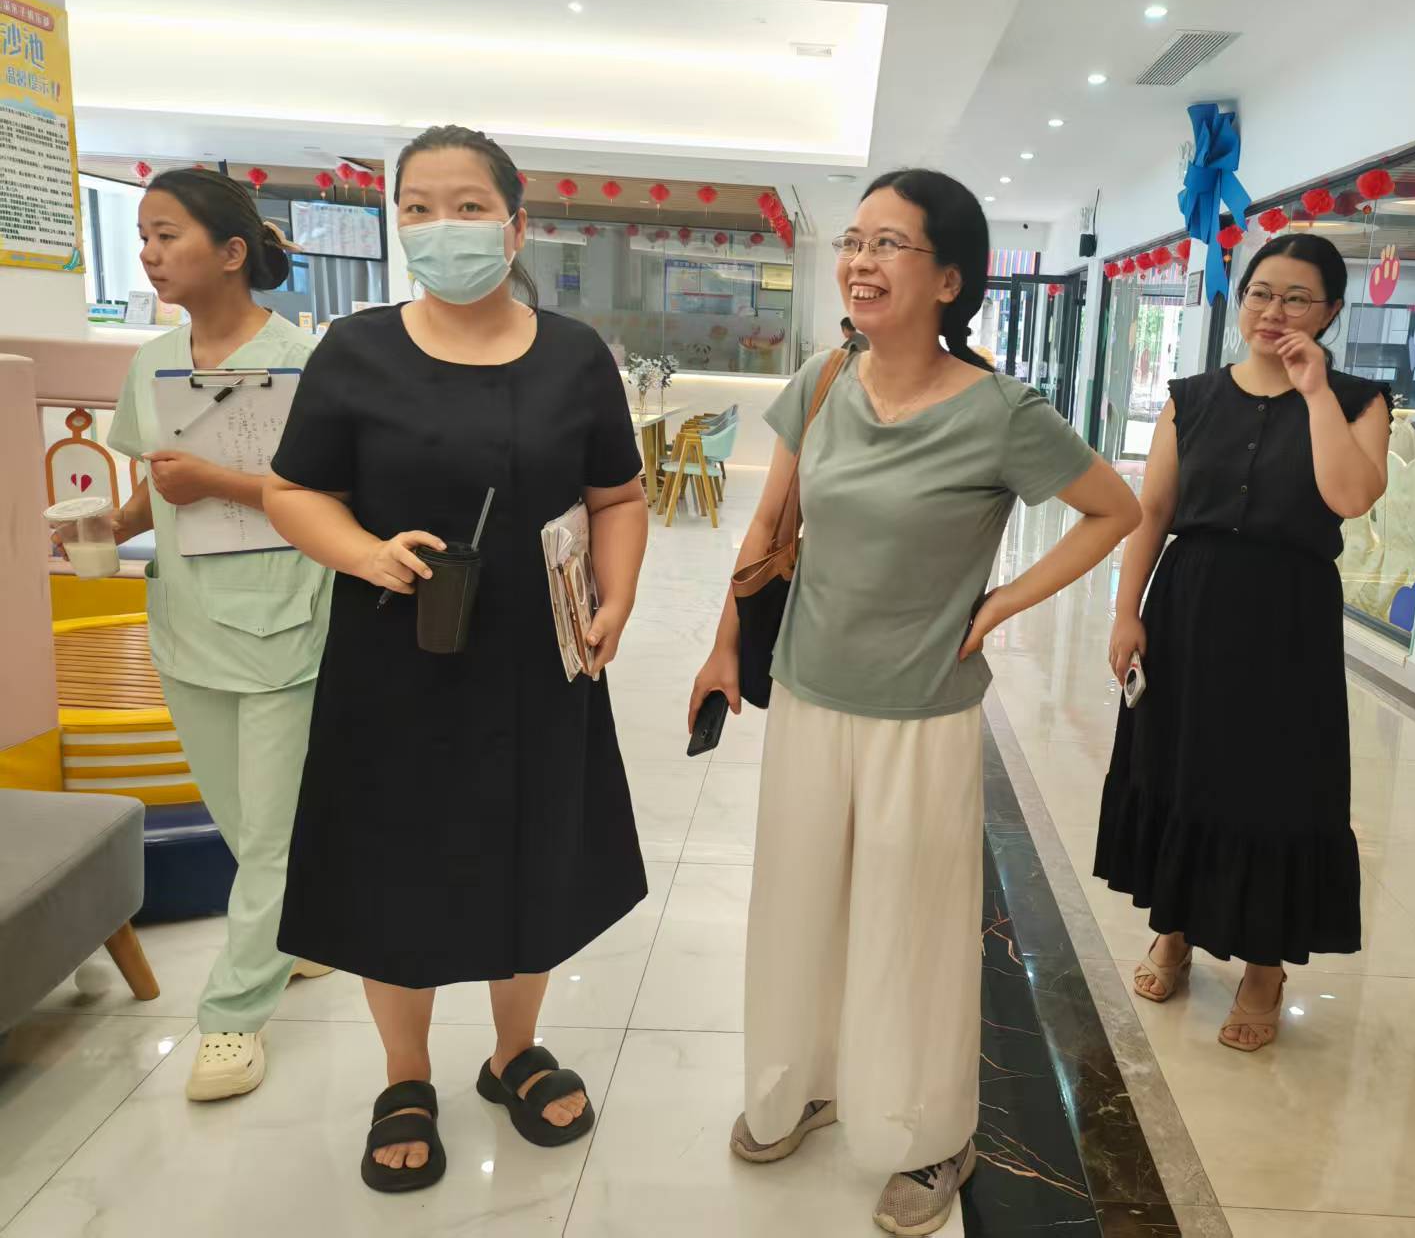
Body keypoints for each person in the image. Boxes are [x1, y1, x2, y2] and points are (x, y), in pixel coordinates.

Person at [689, 169, 1140, 1235]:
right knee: (799, 900)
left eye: (887, 243)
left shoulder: (1001, 412)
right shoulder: (821, 379)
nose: (859, 260)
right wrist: (722, 646)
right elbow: (768, 531)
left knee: (911, 923)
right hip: (810, 690)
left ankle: (928, 1131)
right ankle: (801, 1081)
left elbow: (1112, 509)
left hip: (924, 708)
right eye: (854, 240)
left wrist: (1001, 604)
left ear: (949, 278)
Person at [262, 125, 649, 1193]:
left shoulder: (574, 355)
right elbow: (293, 490)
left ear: (516, 226)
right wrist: (364, 553)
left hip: (539, 663)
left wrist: (617, 595)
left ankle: (514, 1049)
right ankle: (404, 1074)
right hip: (395, 660)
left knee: (535, 848)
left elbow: (617, 495)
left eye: (469, 206)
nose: (444, 227)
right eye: (419, 208)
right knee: (395, 862)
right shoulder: (355, 350)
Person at [1094, 232, 1390, 1052]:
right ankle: (1174, 929)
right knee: (1181, 767)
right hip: (1189, 606)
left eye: (1297, 297)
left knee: (1276, 783)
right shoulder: (1191, 397)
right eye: (1261, 292)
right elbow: (1153, 511)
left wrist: (1314, 389)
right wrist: (1126, 611)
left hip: (1288, 618)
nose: (1274, 311)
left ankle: (1265, 966)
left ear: (1331, 311)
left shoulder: (1358, 399)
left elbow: (1351, 496)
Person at [94, 168, 334, 1101]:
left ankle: (232, 1018)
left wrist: (219, 483)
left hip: (282, 620)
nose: (149, 255)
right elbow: (157, 482)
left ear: (232, 252)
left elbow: (333, 494)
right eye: (144, 237)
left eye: (168, 236)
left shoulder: (306, 363)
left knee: (271, 833)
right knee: (238, 818)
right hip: (187, 621)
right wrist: (108, 525)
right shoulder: (152, 360)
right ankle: (300, 936)